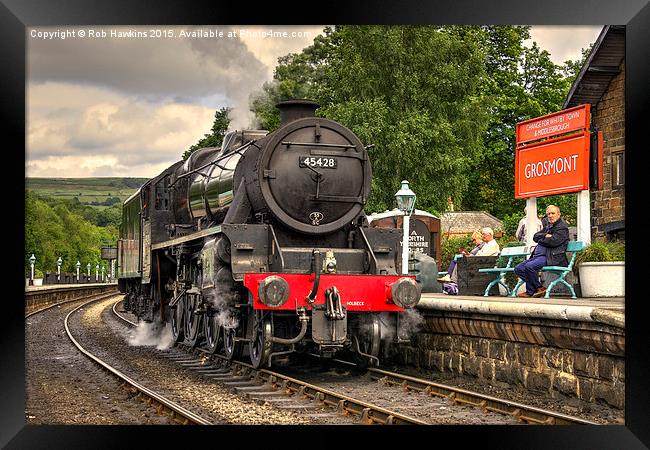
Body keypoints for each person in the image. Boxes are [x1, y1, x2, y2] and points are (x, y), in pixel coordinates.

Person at [514, 205, 569, 298]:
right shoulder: (548, 226)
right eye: (548, 214)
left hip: (551, 256)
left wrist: (542, 238)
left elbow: (553, 241)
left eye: (553, 213)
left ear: (558, 214)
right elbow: (535, 236)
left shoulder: (561, 227)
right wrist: (545, 235)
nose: (550, 216)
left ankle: (530, 292)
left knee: (529, 266)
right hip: (539, 256)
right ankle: (539, 287)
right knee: (518, 269)